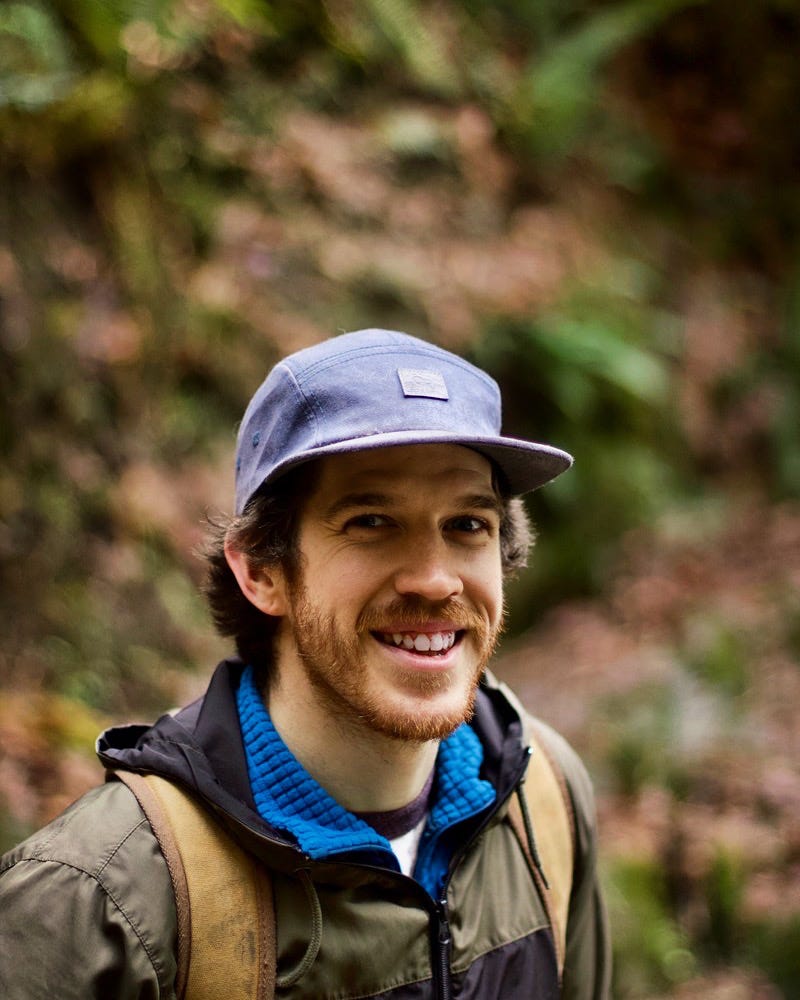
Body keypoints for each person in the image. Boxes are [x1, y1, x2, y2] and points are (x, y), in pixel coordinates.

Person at [0, 328, 611, 999]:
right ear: (261, 570)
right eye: (371, 521)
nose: (436, 580)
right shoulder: (100, 904)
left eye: (468, 524)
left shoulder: (541, 800)